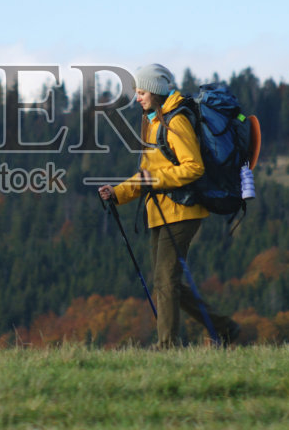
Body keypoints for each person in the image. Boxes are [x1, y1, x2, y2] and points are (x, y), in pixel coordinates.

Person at [99, 64, 239, 346]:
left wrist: (155, 181)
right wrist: (118, 192)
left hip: (183, 211)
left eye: (141, 92)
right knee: (167, 281)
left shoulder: (175, 122)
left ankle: (167, 345)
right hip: (162, 212)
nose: (137, 97)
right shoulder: (153, 121)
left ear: (156, 91)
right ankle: (224, 328)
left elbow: (194, 167)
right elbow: (147, 176)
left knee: (165, 280)